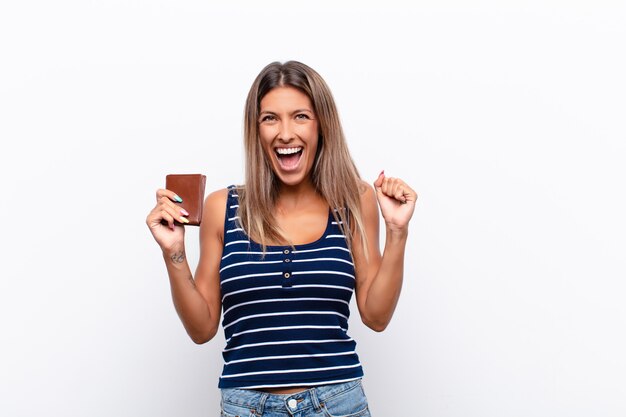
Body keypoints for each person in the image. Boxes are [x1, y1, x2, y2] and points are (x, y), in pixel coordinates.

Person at [146, 61, 417, 416]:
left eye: (300, 116)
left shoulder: (354, 199)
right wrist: (174, 254)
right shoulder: (222, 207)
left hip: (336, 403)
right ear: (255, 130)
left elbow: (376, 316)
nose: (285, 133)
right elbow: (201, 328)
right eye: (270, 118)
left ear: (321, 124)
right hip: (247, 406)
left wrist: (397, 231)